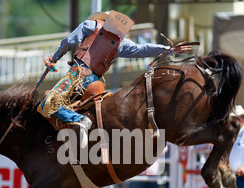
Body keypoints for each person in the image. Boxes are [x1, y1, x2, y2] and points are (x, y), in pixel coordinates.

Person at [37, 11, 191, 147]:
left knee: (47, 103)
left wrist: (55, 57)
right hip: (95, 82)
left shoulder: (90, 25)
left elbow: (69, 42)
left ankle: (78, 120)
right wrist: (168, 49)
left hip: (79, 75)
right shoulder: (120, 43)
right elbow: (143, 49)